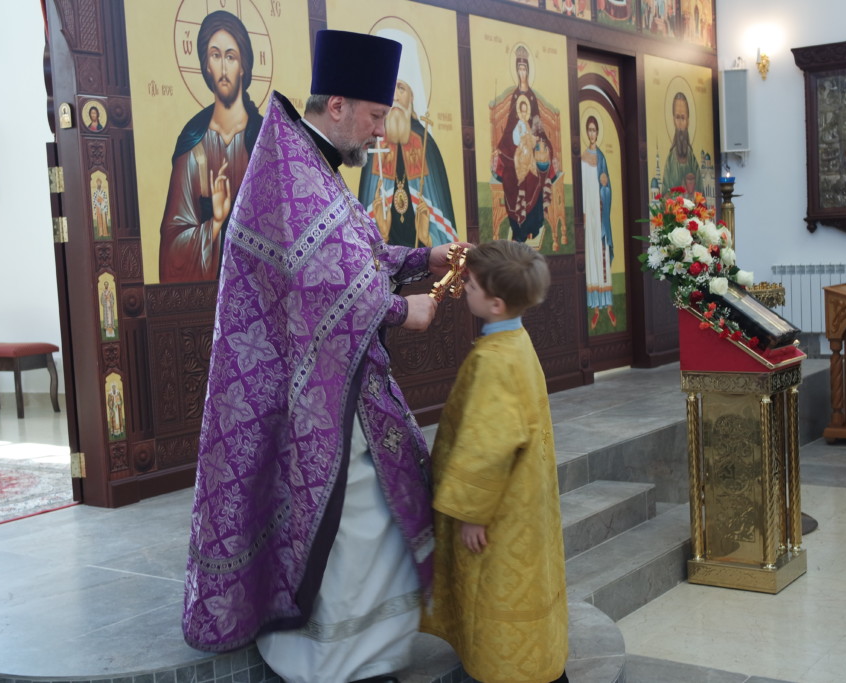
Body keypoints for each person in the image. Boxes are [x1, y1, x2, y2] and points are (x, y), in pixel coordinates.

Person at [183, 29, 466, 683]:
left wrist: (425, 258)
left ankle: (368, 654)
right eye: (374, 116)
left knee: (375, 512)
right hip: (302, 392)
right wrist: (402, 310)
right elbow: (331, 282)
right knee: (351, 518)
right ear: (337, 105)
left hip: (330, 381)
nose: (380, 133)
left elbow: (358, 255)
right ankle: (333, 661)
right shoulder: (293, 171)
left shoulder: (311, 165)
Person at [422, 240, 569, 683]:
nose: (464, 289)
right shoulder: (518, 341)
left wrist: (472, 514)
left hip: (497, 513)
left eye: (472, 286)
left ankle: (502, 672)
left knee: (494, 590)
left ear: (496, 303)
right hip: (521, 497)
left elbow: (489, 445)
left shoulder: (493, 360)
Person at [158, 10, 263, 282]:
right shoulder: (193, 144)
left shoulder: (265, 138)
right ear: (207, 66)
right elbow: (172, 241)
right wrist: (216, 222)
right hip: (212, 295)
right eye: (215, 56)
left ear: (243, 65)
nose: (224, 69)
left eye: (231, 56)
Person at [358, 31, 458, 249]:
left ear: (412, 96)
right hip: (386, 255)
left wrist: (428, 238)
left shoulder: (425, 144)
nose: (394, 96)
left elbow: (441, 219)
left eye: (401, 88)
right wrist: (381, 235)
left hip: (424, 255)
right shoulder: (375, 142)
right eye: (390, 88)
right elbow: (367, 207)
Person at [492, 45, 557, 243]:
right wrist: (506, 149)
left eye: (525, 69)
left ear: (528, 71)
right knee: (513, 175)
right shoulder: (514, 97)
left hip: (531, 151)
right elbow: (509, 130)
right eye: (519, 69)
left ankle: (533, 225)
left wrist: (539, 143)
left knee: (535, 173)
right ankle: (518, 227)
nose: (522, 73)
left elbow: (538, 126)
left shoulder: (532, 98)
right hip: (516, 154)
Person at [581, 115, 615, 331]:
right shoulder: (582, 158)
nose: (592, 133)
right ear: (587, 132)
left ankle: (608, 305)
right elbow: (582, 187)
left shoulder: (601, 157)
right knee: (591, 257)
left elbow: (607, 188)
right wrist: (584, 212)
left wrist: (604, 188)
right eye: (589, 130)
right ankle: (595, 308)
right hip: (589, 215)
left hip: (600, 215)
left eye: (595, 130)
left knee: (602, 256)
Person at [663, 91, 700, 197]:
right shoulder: (670, 160)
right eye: (677, 117)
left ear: (688, 121)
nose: (680, 124)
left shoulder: (692, 160)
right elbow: (664, 195)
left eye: (683, 118)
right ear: (673, 120)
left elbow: (701, 194)